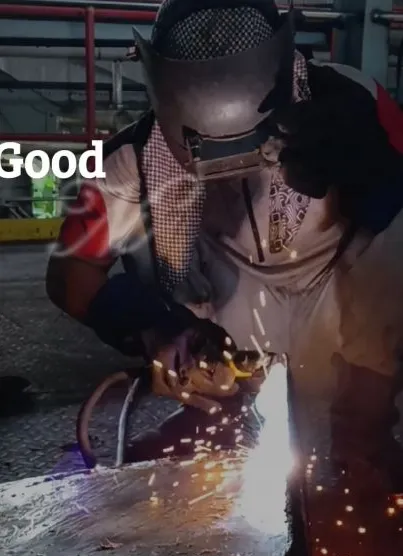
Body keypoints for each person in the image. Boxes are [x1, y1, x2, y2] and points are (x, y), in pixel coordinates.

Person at [46, 0, 403, 488]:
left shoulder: (350, 102)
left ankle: (364, 443)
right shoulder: (129, 160)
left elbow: (391, 239)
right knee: (213, 465)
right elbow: (71, 275)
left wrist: (368, 172)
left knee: (356, 457)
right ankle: (226, 419)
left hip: (340, 293)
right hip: (226, 315)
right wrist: (155, 330)